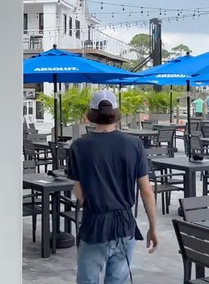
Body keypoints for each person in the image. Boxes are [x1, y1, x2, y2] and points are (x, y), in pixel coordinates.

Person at [67, 90, 158, 284]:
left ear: (90, 114)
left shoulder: (79, 146)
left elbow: (79, 192)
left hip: (94, 225)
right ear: (116, 113)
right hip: (125, 226)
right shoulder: (134, 144)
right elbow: (146, 191)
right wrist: (152, 227)